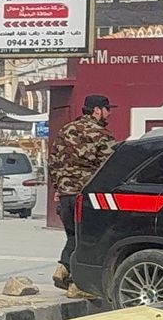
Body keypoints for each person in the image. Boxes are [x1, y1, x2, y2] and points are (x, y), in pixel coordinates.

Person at [50, 94, 117, 295]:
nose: (109, 114)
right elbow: (111, 167)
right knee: (88, 240)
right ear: (97, 110)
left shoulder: (65, 130)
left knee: (74, 236)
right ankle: (76, 284)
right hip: (86, 196)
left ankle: (63, 268)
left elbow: (53, 162)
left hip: (65, 195)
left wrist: (58, 187)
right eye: (107, 109)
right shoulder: (102, 134)